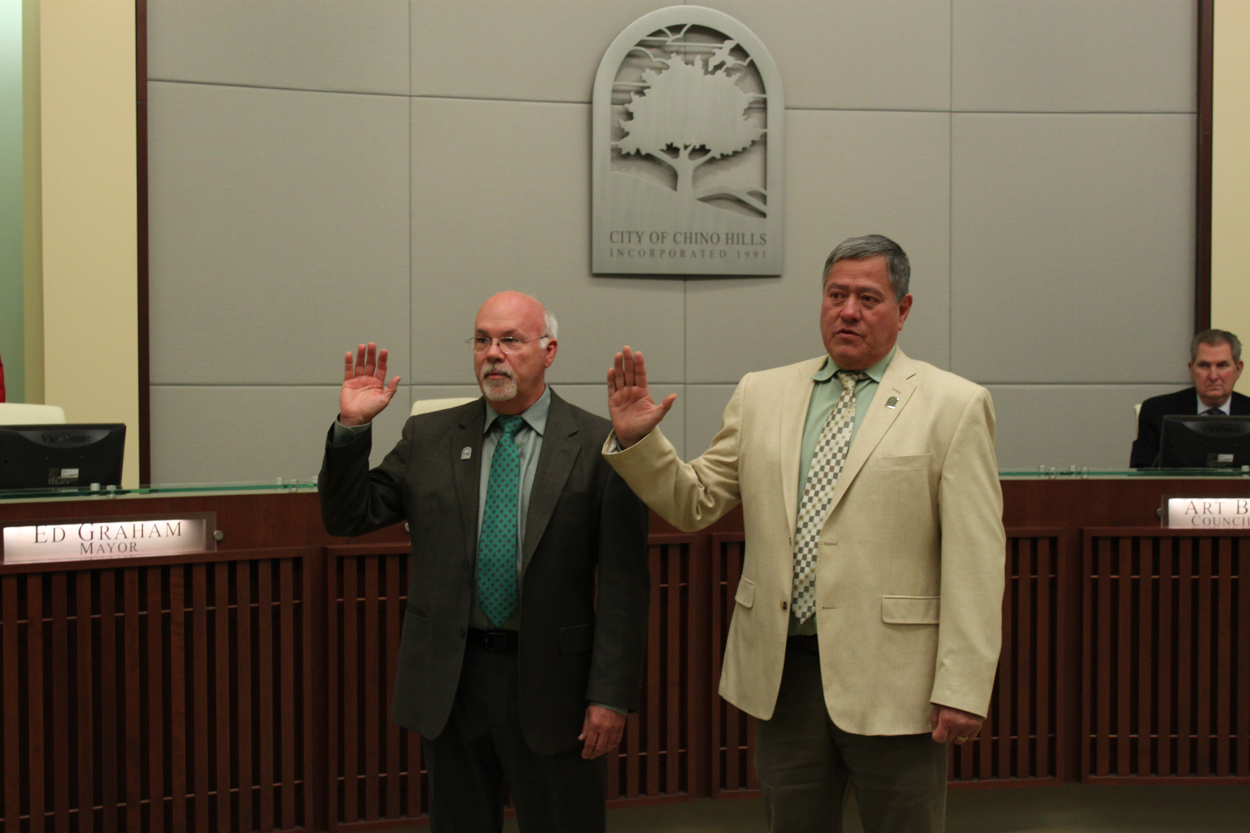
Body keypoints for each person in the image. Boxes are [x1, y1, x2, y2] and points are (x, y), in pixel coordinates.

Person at [602, 235, 1005, 833]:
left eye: (869, 298)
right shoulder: (763, 394)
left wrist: (964, 686)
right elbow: (695, 503)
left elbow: (976, 558)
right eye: (836, 295)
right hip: (785, 678)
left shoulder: (954, 404)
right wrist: (640, 442)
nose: (848, 311)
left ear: (905, 309)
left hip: (899, 686)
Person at [319, 291, 649, 833]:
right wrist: (352, 429)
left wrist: (610, 696)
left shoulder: (599, 444)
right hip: (453, 684)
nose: (492, 354)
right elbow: (348, 515)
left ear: (549, 351)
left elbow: (624, 585)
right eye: (482, 341)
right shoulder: (430, 437)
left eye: (510, 341)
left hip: (555, 687)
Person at [1130, 328, 1250, 468]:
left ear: (1238, 369)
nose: (1213, 376)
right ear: (1191, 369)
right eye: (1204, 365)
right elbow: (1141, 474)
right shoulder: (1156, 410)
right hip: (1176, 489)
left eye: (1222, 365)